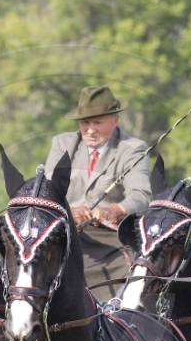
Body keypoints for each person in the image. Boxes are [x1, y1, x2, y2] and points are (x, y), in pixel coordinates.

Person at [44, 85, 151, 300]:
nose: (90, 130)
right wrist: (70, 210)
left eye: (97, 123)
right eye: (85, 123)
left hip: (111, 241)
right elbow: (48, 191)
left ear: (115, 120)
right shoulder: (63, 144)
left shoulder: (133, 148)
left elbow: (141, 196)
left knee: (135, 280)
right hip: (65, 234)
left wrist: (117, 209)